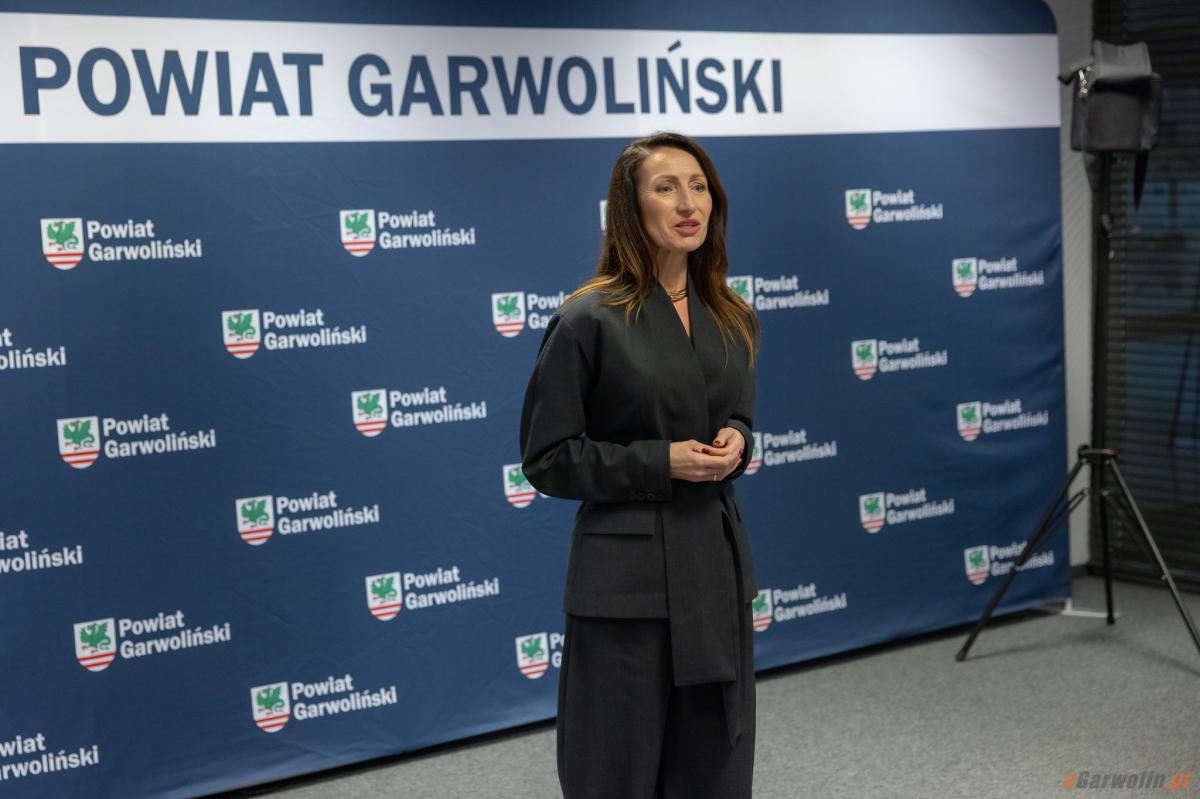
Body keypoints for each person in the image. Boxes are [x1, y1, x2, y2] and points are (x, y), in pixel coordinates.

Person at [518, 131, 762, 799]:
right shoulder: (587, 320)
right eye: (666, 188)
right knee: (614, 774)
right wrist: (662, 462)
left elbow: (740, 417)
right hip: (626, 588)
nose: (688, 204)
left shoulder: (733, 314)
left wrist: (738, 442)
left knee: (715, 772)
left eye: (699, 186)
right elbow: (547, 459)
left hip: (715, 575)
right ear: (631, 207)